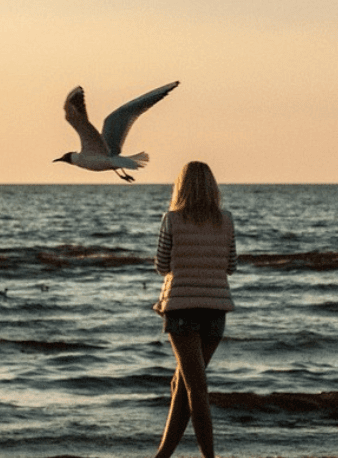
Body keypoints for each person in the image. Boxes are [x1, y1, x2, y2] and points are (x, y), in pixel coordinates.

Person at [150, 161, 238, 458]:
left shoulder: (171, 220)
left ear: (181, 187)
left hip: (182, 311)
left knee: (195, 390)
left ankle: (209, 457)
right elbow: (231, 266)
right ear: (213, 188)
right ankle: (163, 455)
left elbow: (162, 266)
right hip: (215, 310)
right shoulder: (225, 220)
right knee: (183, 383)